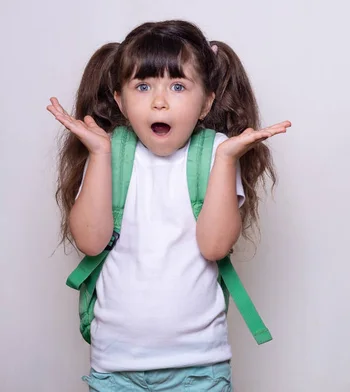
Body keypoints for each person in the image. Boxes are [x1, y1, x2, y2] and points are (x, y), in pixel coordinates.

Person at [47, 19, 291, 391]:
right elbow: (90, 241)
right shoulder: (110, 152)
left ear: (206, 101)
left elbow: (214, 246)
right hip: (116, 366)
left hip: (200, 367)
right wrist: (98, 153)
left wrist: (226, 161)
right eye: (142, 86)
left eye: (178, 86)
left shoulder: (215, 154)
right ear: (120, 101)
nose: (159, 101)